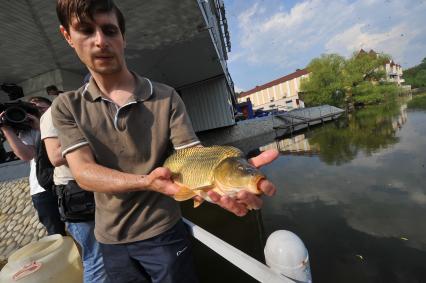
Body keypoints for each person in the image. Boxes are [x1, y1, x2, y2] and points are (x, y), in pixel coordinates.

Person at [52, 0, 278, 282]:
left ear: (122, 36)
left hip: (164, 233)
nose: (100, 41)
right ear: (67, 36)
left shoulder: (166, 95)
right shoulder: (66, 106)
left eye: (109, 30)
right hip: (109, 239)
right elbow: (83, 172)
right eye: (85, 30)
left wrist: (221, 180)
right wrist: (146, 181)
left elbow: (191, 154)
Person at [40, 107, 108, 283]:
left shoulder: (90, 108)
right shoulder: (53, 113)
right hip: (76, 194)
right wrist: (95, 137)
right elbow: (55, 156)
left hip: (99, 189)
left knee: (109, 253)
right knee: (96, 258)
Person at [0, 96, 66, 236]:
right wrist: (6, 129)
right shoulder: (28, 131)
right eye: (32, 109)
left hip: (68, 183)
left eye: (41, 108)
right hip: (42, 189)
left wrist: (41, 127)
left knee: (84, 228)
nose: (36, 112)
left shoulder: (63, 121)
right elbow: (27, 155)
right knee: (57, 235)